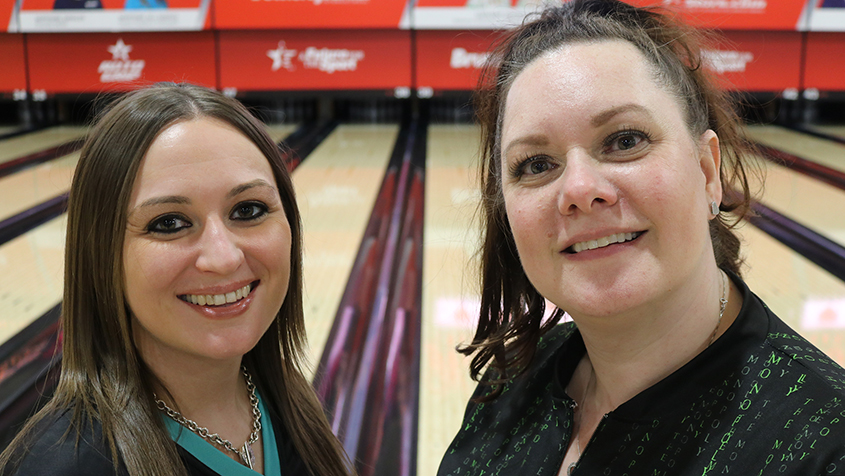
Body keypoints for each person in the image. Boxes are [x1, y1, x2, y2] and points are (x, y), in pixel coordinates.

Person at [438, 1, 845, 475]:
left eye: (625, 140)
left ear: (707, 171)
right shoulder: (510, 380)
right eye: (536, 165)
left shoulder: (825, 447)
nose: (580, 190)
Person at [0, 83, 353, 476]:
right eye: (168, 223)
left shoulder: (285, 399)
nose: (223, 257)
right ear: (102, 254)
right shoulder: (65, 466)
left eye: (249, 209)